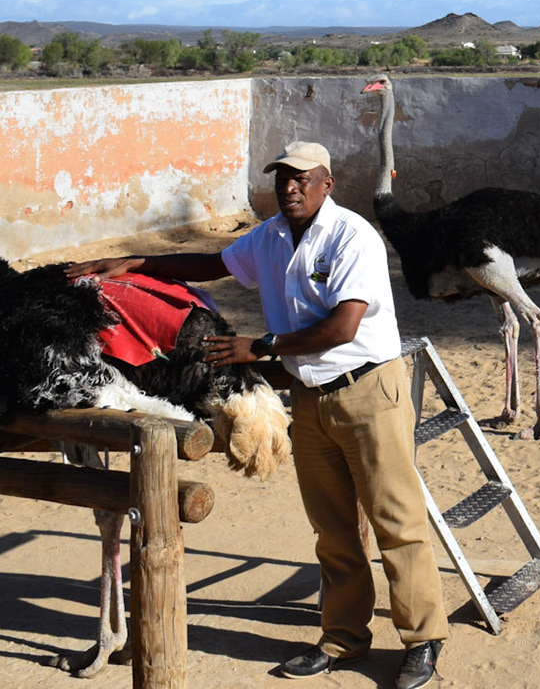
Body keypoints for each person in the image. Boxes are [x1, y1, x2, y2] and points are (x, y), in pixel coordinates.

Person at [68, 141, 446, 689]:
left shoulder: (352, 236)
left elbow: (343, 327)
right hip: (309, 396)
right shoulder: (269, 237)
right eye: (282, 179)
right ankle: (343, 637)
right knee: (331, 527)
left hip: (367, 390)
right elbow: (211, 264)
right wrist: (134, 263)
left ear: (326, 184)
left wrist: (261, 347)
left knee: (396, 520)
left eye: (302, 178)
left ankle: (423, 640)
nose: (289, 187)